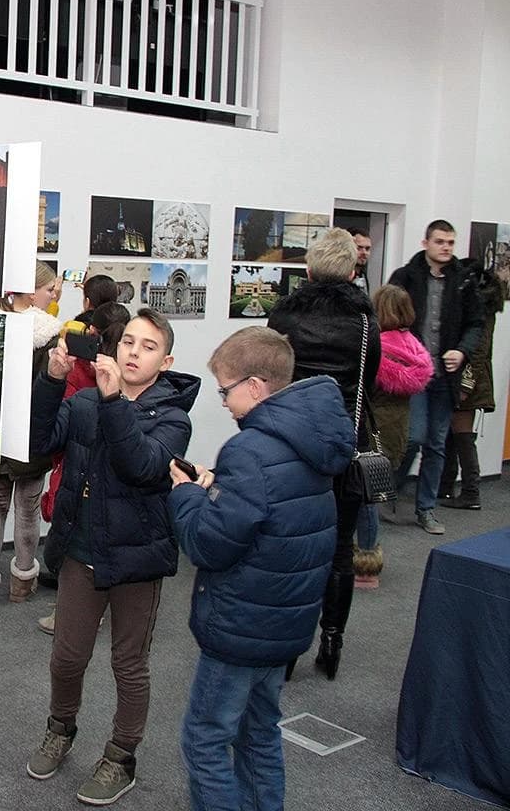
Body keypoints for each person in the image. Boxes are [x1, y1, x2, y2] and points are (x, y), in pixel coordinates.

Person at [170, 327, 354, 811]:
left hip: (240, 625)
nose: (224, 402)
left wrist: (186, 497)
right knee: (259, 734)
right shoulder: (312, 442)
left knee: (204, 740)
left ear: (254, 386)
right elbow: (270, 518)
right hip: (284, 621)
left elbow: (210, 546)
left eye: (225, 390)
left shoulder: (248, 451)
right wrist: (217, 490)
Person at [25, 309, 199, 805]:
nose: (133, 352)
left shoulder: (173, 416)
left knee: (129, 662)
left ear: (165, 361)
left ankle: (121, 757)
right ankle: (61, 729)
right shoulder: (83, 401)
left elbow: (142, 466)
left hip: (136, 557)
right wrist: (51, 381)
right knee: (67, 656)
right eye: (128, 342)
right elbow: (39, 443)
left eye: (147, 347)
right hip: (82, 549)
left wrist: (112, 400)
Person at [267, 228, 378, 681]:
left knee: (290, 550)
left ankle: (288, 652)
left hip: (291, 451)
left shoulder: (284, 318)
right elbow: (367, 384)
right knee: (338, 553)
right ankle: (331, 641)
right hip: (344, 448)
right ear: (353, 271)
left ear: (308, 271)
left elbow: (270, 380)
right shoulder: (366, 322)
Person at [0, 261, 62, 616]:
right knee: (27, 511)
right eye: (49, 289)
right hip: (32, 439)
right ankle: (23, 583)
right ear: (31, 289)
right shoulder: (50, 334)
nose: (54, 295)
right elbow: (47, 393)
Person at [37, 300, 130, 636]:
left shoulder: (81, 374)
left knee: (75, 531)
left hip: (75, 462)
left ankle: (74, 611)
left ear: (91, 332)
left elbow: (52, 429)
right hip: (86, 462)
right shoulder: (118, 379)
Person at [387, 220, 484, 534]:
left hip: (446, 375)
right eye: (440, 241)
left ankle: (425, 509)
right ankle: (388, 489)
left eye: (451, 242)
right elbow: (388, 319)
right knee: (413, 437)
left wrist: (462, 351)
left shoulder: (464, 281)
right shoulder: (404, 277)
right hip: (414, 373)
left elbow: (476, 324)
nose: (446, 247)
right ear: (425, 242)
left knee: (437, 443)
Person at [358, 285, 431, 589]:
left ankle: (362, 562)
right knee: (372, 497)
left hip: (370, 429)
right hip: (397, 430)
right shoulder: (414, 348)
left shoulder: (376, 347)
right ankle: (368, 562)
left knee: (361, 497)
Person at [438, 257, 502, 510]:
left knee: (462, 437)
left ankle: (470, 492)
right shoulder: (479, 304)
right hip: (466, 378)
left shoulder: (480, 309)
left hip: (469, 380)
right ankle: (446, 487)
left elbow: (476, 351)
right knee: (454, 437)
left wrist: (465, 385)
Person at [348, 224, 373, 294]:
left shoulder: (363, 275)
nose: (364, 252)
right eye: (359, 248)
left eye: (367, 249)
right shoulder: (339, 277)